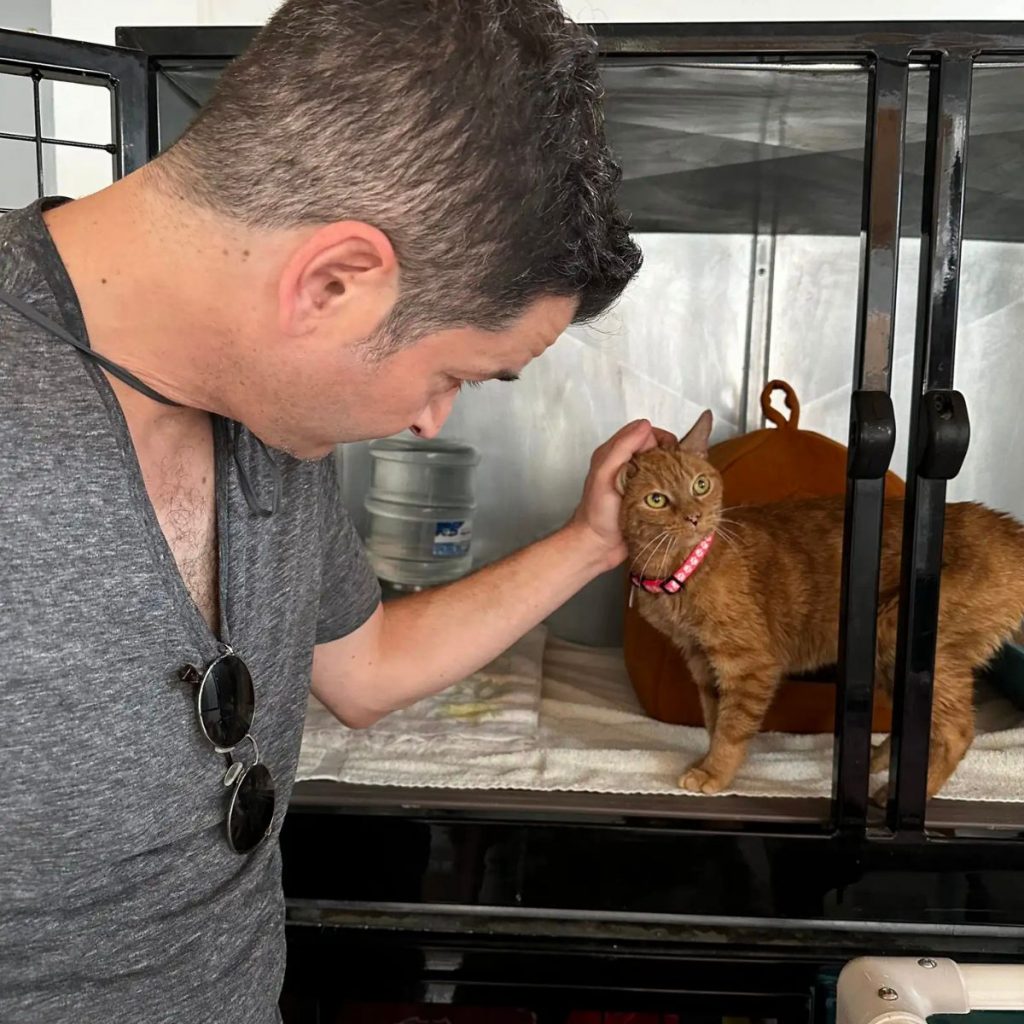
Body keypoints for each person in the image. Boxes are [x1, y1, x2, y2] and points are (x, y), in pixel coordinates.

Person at [0, 1, 670, 1021]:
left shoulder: (267, 409)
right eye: (452, 374)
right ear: (336, 281)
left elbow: (362, 672)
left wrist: (591, 540)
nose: (425, 422)